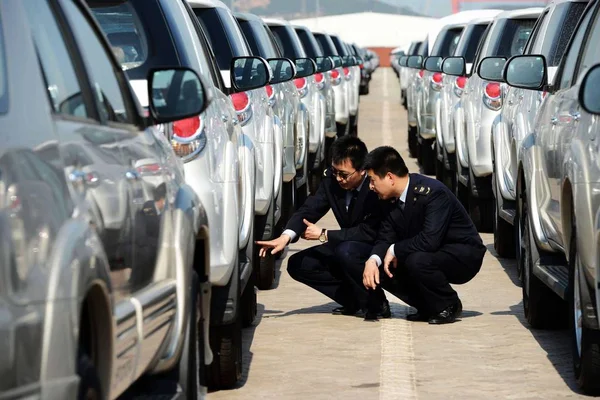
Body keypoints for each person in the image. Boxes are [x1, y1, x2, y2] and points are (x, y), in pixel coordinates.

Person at [256, 136, 390, 320]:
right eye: (335, 171)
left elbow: (369, 232)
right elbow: (309, 208)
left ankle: (377, 303)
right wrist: (285, 237)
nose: (338, 178)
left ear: (362, 171)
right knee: (299, 264)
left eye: (344, 174)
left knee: (346, 251)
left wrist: (324, 234)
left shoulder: (375, 186)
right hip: (347, 245)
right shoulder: (332, 182)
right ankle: (354, 300)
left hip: (376, 249)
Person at [361, 146, 486, 324]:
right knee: (382, 269)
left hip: (463, 254)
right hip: (430, 252)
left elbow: (430, 240)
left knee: (415, 260)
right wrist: (373, 260)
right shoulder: (388, 200)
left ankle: (448, 304)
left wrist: (395, 249)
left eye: (372, 180)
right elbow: (385, 236)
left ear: (389, 177)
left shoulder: (433, 192)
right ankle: (428, 306)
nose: (371, 187)